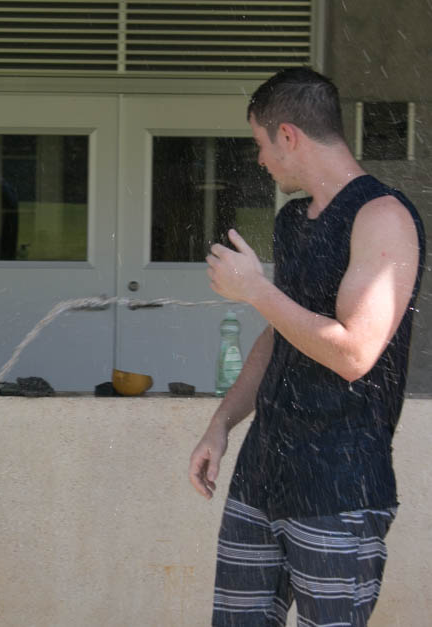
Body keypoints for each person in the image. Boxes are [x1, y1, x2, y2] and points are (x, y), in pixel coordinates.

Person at [188, 67, 425, 626]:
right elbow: (280, 335)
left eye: (260, 144)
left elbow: (354, 354)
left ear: (288, 135)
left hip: (339, 485)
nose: (261, 160)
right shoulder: (293, 220)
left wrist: (254, 290)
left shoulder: (382, 217)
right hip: (261, 474)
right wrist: (222, 425)